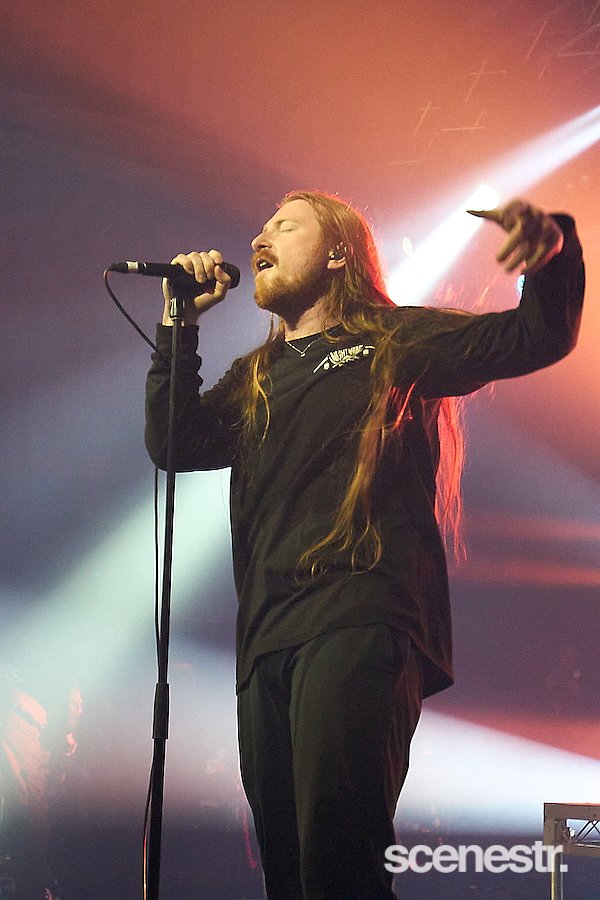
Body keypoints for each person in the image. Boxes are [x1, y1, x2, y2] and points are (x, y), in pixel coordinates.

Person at [145, 192, 584, 899]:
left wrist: (552, 254)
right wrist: (178, 325)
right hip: (267, 636)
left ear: (338, 254)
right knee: (289, 870)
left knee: (338, 852)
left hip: (359, 611)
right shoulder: (256, 377)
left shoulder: (391, 340)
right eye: (262, 227)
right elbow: (175, 442)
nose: (261, 237)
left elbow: (534, 337)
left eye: (286, 225)